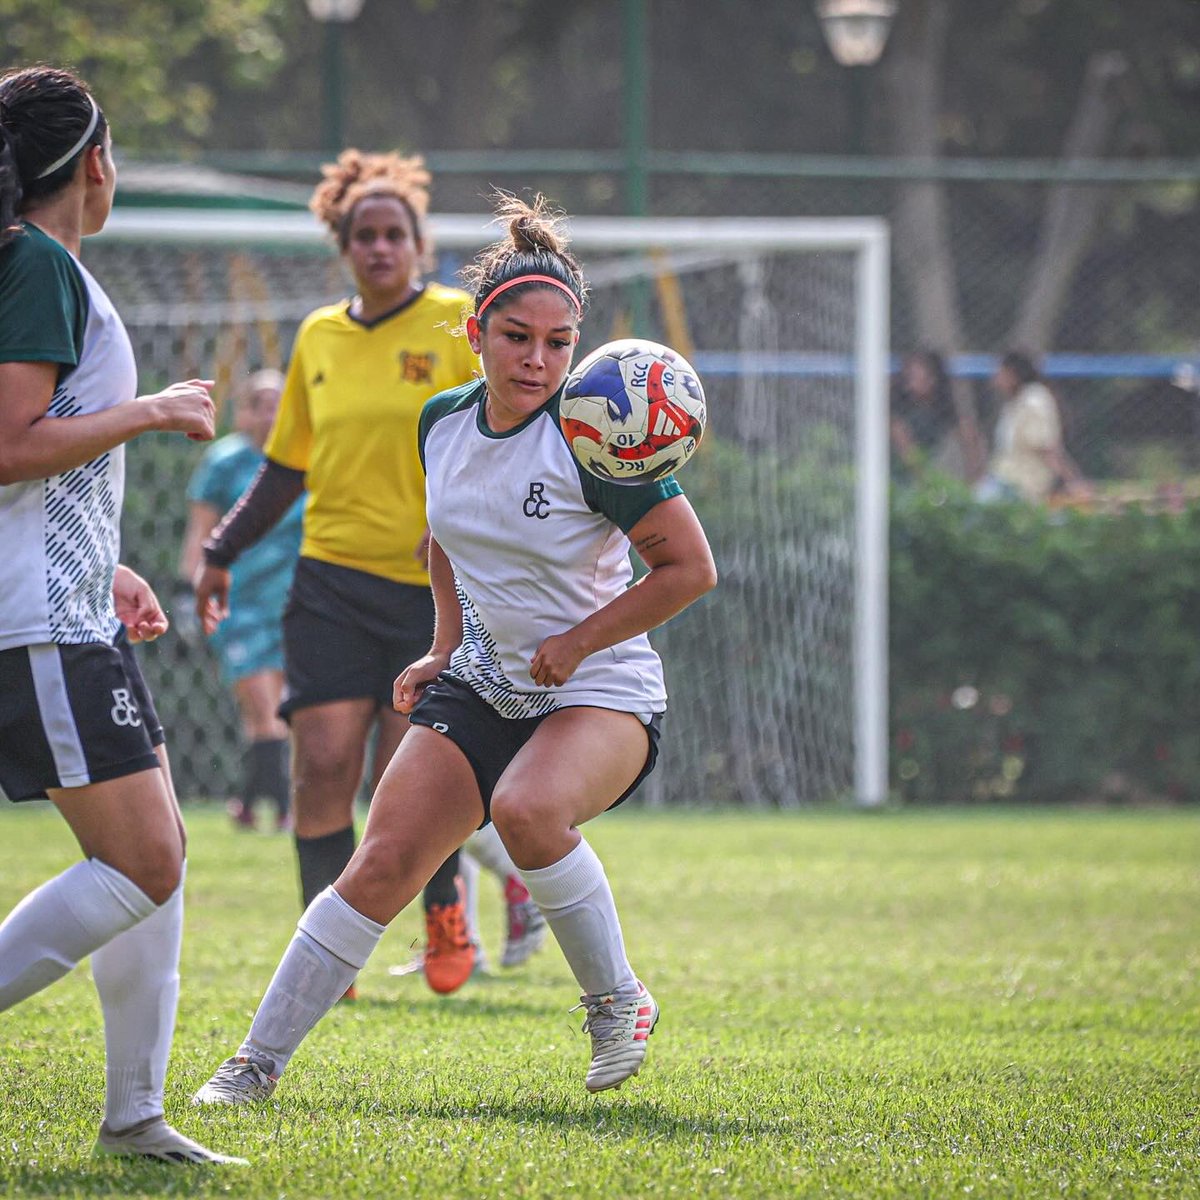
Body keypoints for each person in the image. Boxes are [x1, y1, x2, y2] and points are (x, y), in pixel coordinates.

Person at [192, 192, 718, 1107]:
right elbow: (439, 544)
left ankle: (616, 999)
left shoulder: (597, 436)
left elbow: (690, 569)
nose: (539, 359)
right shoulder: (441, 420)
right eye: (518, 336)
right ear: (475, 332)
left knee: (525, 809)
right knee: (380, 864)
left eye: (560, 342)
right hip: (486, 678)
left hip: (601, 685)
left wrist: (580, 639)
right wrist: (445, 646)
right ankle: (253, 1066)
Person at [191, 151, 539, 996]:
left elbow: (513, 431)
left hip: (437, 592)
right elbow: (284, 470)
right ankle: (328, 954)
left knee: (413, 776)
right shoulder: (318, 335)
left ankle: (445, 913)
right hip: (331, 582)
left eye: (396, 234)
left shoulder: (461, 320)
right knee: (322, 762)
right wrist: (220, 553)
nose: (381, 248)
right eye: (365, 236)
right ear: (343, 248)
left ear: (419, 244)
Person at [0, 64, 244, 1165]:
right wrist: (151, 411)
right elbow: (7, 446)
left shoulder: (44, 269)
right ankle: (134, 1112)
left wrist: (107, 566)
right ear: (95, 162)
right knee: (147, 858)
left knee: (162, 852)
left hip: (66, 608)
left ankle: (135, 1116)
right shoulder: (42, 264)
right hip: (33, 623)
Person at [178, 368, 302, 833]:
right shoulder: (224, 463)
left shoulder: (306, 456)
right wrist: (188, 593)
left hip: (293, 601)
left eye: (278, 403)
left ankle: (248, 807)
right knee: (265, 712)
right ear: (242, 412)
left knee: (275, 718)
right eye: (259, 404)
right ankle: (290, 811)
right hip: (237, 601)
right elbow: (200, 535)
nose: (269, 413)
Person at [975, 349, 1090, 504]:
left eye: (1000, 372)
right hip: (1004, 479)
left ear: (1012, 374)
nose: (995, 378)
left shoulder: (1034, 400)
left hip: (1020, 485)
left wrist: (1074, 481)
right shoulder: (1015, 402)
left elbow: (1047, 448)